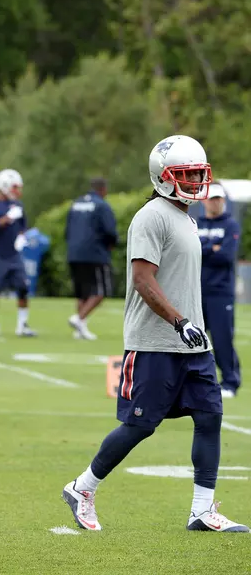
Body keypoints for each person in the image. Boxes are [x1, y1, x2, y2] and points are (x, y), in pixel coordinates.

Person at [62, 135, 248, 533]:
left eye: (199, 174)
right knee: (141, 425)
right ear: (163, 177)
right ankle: (83, 488)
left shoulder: (186, 216)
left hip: (193, 344)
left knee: (210, 417)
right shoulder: (152, 215)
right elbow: (143, 280)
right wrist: (179, 322)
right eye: (186, 174)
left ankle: (201, 511)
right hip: (155, 342)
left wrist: (191, 328)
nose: (196, 181)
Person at [198, 183, 242, 398]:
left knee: (222, 339)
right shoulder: (195, 223)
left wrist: (203, 246)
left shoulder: (231, 225)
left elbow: (225, 255)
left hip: (221, 291)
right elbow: (190, 250)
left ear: (223, 200)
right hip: (197, 291)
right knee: (194, 339)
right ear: (204, 200)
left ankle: (230, 382)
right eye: (211, 198)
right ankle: (194, 380)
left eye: (218, 199)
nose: (215, 202)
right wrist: (211, 247)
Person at [0, 169, 36, 338]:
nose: (16, 191)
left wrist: (22, 237)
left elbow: (22, 226)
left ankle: (22, 325)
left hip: (14, 255)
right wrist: (6, 218)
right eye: (14, 187)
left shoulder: (18, 205)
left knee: (23, 288)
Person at [65, 177, 119, 340]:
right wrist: (111, 244)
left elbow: (67, 230)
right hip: (95, 254)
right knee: (100, 291)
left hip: (73, 253)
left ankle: (80, 329)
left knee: (82, 293)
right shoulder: (102, 205)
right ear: (103, 189)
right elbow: (110, 231)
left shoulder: (75, 204)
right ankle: (79, 318)